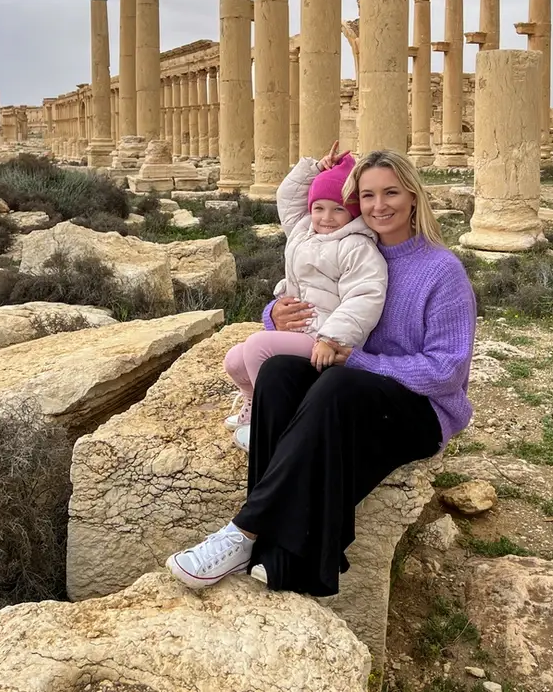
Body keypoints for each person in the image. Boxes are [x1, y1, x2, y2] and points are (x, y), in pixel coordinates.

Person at [166, 149, 476, 595]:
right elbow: (313, 301)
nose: (379, 205)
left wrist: (358, 360)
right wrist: (276, 314)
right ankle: (282, 562)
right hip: (354, 390)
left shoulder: (440, 270)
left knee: (336, 383)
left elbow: (446, 372)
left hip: (421, 410)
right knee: (276, 375)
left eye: (390, 192)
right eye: (367, 195)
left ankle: (245, 531)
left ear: (412, 196)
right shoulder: (350, 247)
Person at [223, 142, 388, 452]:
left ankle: (272, 420)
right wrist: (314, 169)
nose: (326, 217)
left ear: (352, 212)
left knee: (258, 347)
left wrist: (331, 337)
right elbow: (287, 197)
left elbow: (364, 297)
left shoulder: (356, 246)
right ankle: (250, 405)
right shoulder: (303, 230)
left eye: (338, 208)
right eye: (318, 208)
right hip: (300, 330)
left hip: (324, 339)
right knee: (233, 360)